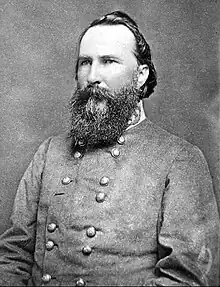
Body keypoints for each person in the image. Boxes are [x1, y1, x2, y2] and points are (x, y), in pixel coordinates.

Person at [0, 10, 219, 287]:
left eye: (108, 61)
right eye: (85, 62)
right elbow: (13, 257)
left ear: (140, 75)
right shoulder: (50, 152)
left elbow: (188, 278)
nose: (92, 76)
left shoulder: (180, 160)